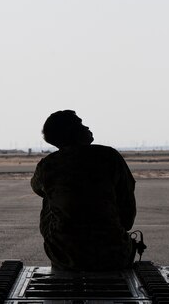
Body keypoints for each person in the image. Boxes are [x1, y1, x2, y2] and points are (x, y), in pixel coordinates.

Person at [31, 110, 137, 271]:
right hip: (114, 254)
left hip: (65, 256)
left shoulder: (47, 165)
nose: (87, 127)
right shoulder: (109, 156)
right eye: (80, 124)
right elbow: (127, 213)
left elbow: (37, 188)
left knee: (49, 197)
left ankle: (64, 241)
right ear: (71, 132)